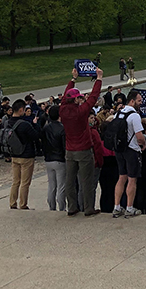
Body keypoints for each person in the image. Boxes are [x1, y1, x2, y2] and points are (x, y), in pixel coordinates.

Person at [60, 66, 103, 216]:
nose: (81, 98)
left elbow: (66, 95)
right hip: (84, 150)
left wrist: (73, 79)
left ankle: (71, 207)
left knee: (70, 180)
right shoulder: (81, 112)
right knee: (87, 181)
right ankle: (88, 207)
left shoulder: (63, 110)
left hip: (70, 150)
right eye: (79, 97)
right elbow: (93, 97)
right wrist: (99, 79)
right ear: (76, 99)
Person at [112, 94, 146, 219]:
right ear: (132, 101)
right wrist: (144, 143)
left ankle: (117, 207)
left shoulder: (118, 114)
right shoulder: (134, 116)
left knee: (121, 177)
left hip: (119, 149)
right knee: (132, 179)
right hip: (132, 150)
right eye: (139, 100)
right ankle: (129, 207)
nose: (141, 102)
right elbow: (139, 136)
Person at [6, 103, 39, 209]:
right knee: (25, 182)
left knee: (15, 181)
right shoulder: (24, 124)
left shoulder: (8, 123)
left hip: (14, 154)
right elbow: (35, 136)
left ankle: (12, 202)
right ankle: (23, 204)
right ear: (21, 110)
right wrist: (35, 124)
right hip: (26, 155)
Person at [42, 105, 66, 211]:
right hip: (59, 158)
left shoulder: (45, 128)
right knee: (61, 185)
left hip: (48, 158)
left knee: (52, 185)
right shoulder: (62, 128)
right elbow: (64, 145)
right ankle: (61, 207)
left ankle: (52, 206)